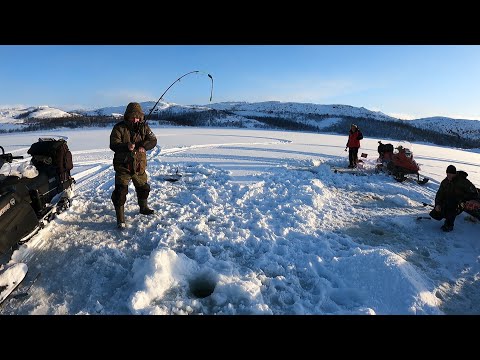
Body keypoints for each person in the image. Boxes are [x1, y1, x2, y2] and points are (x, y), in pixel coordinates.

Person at [110, 102, 158, 229]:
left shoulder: (145, 127)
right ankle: (120, 219)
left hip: (139, 166)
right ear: (127, 116)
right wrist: (126, 146)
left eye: (138, 117)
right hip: (123, 166)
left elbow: (153, 140)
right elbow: (113, 144)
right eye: (133, 116)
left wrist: (144, 146)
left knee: (144, 189)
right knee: (120, 193)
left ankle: (143, 208)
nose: (135, 119)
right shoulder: (119, 128)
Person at [430, 165, 479, 232]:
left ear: (455, 174)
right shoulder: (445, 182)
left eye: (451, 174)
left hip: (461, 203)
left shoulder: (463, 181)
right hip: (450, 200)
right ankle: (446, 214)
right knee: (435, 214)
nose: (449, 176)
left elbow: (474, 191)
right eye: (448, 174)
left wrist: (473, 200)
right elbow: (439, 194)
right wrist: (437, 204)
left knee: (451, 205)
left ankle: (449, 225)